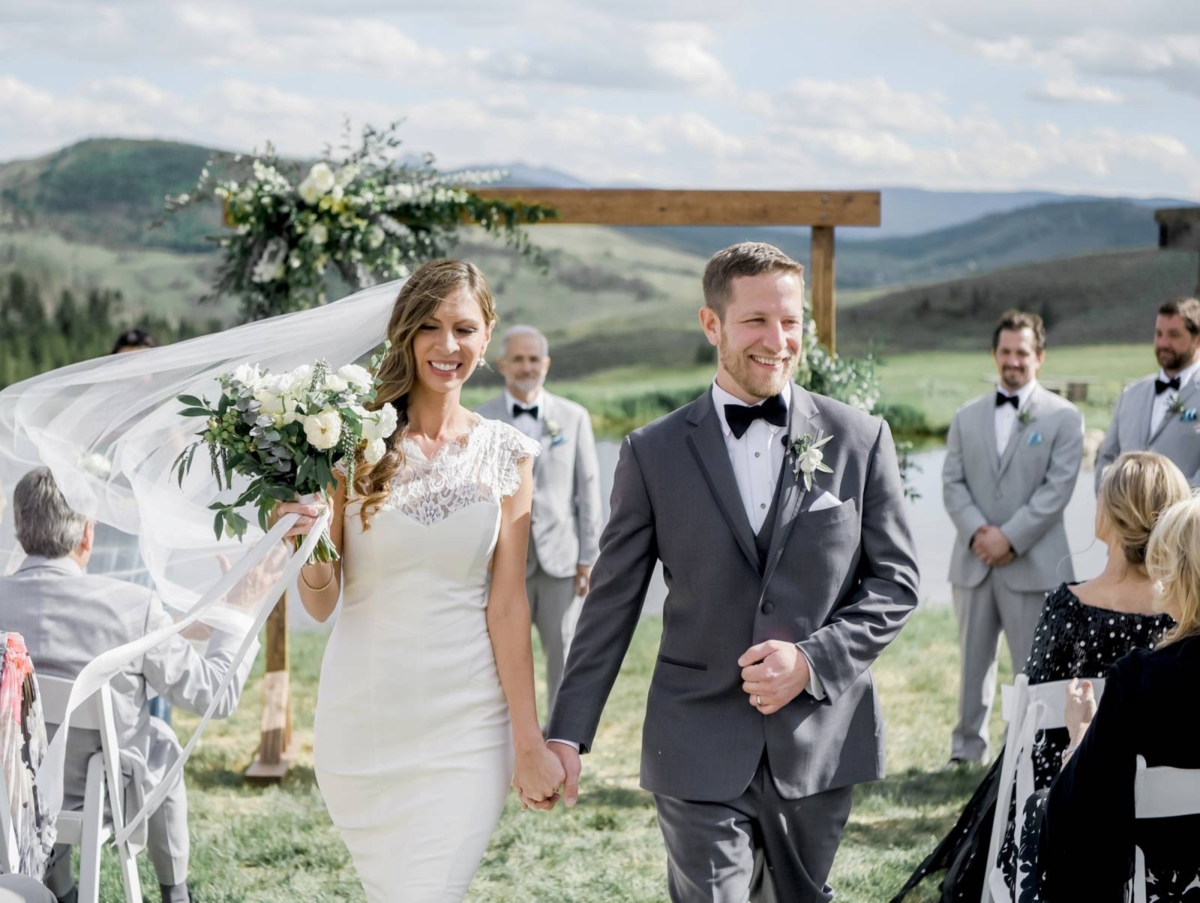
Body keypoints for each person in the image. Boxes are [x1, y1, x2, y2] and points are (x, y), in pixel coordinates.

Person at [542, 242, 920, 902]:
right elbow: (611, 602)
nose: (778, 340)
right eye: (756, 321)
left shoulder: (861, 438)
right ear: (711, 324)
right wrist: (568, 733)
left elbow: (897, 582)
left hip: (819, 738)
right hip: (695, 738)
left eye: (791, 321)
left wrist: (812, 659)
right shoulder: (652, 452)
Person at [274, 260, 565, 903]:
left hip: (470, 724)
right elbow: (319, 602)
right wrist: (310, 539)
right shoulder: (350, 445)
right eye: (430, 326)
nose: (447, 345)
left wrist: (528, 740)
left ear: (486, 335)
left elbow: (509, 606)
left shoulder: (509, 454)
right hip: (367, 715)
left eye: (464, 327)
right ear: (405, 334)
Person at [893, 451, 1184, 902]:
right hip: (1164, 801)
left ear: (1110, 517)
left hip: (1070, 794)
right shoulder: (1184, 617)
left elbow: (1032, 713)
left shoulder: (1068, 604)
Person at [0, 468, 260, 903]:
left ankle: (60, 890)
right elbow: (214, 694)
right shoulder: (132, 606)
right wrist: (240, 610)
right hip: (100, 795)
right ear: (88, 534)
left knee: (41, 742)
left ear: (20, 528)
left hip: (11, 795)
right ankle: (174, 891)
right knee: (159, 740)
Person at [1038, 494, 1200, 902]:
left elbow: (1080, 810)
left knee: (1038, 811)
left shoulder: (1140, 677)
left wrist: (1079, 737)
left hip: (1158, 877)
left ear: (1182, 575)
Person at [942, 310, 1084, 767]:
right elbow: (952, 484)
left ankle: (1027, 752)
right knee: (972, 665)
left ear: (1038, 357)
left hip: (1034, 563)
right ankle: (966, 750)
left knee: (1034, 667)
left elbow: (1057, 490)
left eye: (1022, 352)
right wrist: (979, 534)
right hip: (974, 561)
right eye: (1005, 351)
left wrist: (1010, 538)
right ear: (994, 354)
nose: (1013, 360)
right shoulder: (966, 417)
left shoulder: (1064, 417)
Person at [476, 325, 602, 718]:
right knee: (500, 653)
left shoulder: (574, 417)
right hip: (501, 561)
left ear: (545, 364)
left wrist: (588, 557)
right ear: (502, 365)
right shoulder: (481, 420)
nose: (527, 367)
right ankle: (509, 735)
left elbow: (589, 490)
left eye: (534, 359)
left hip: (560, 560)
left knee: (562, 652)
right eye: (518, 359)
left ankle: (560, 738)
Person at [1095, 297, 1200, 490]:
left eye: (1173, 335)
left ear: (1197, 339)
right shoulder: (1130, 394)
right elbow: (1107, 458)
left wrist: (1173, 513)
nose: (1163, 343)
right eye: (1159, 334)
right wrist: (1112, 505)